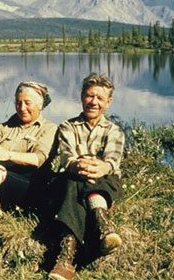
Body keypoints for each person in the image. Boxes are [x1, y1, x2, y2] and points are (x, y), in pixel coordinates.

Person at [0, 81, 58, 273]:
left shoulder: (49, 129)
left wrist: (7, 155)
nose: (22, 108)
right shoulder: (4, 127)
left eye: (28, 103)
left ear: (41, 105)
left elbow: (38, 159)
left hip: (30, 185)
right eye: (18, 103)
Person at [48, 73, 125, 280]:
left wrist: (99, 168)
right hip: (74, 177)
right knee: (73, 181)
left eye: (100, 98)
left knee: (78, 185)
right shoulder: (68, 126)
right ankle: (102, 225)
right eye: (90, 96)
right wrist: (82, 166)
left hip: (106, 181)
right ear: (82, 97)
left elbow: (111, 163)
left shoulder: (114, 130)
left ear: (108, 102)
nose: (94, 102)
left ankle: (66, 258)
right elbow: (68, 158)